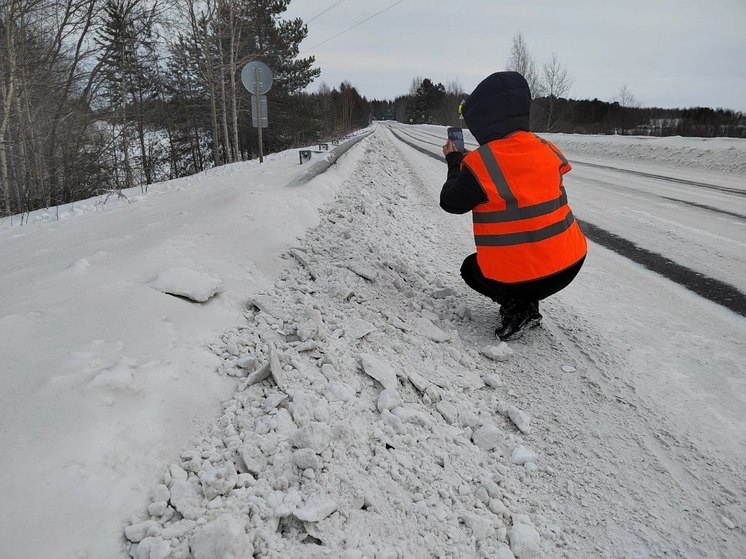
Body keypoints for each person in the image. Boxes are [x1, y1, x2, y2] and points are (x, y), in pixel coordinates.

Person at [441, 71, 587, 341]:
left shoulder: (480, 165)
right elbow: (514, 164)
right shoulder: (546, 148)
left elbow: (450, 202)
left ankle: (519, 307)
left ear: (482, 120)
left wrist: (454, 162)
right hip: (571, 263)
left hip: (521, 278)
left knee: (470, 270)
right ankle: (526, 302)